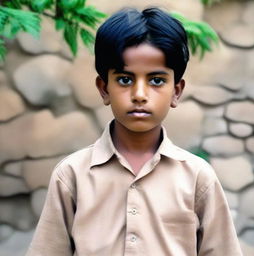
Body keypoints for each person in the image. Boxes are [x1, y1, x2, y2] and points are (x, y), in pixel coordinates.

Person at [26, 7, 242, 256]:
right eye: (125, 80)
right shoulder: (72, 175)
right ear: (104, 88)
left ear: (176, 91)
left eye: (157, 80)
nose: (140, 95)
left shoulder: (197, 177)